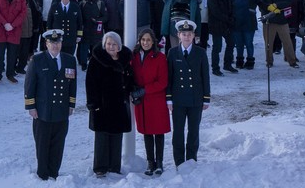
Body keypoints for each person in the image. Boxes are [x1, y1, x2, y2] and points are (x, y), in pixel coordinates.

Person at [24, 30, 76, 180]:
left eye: (58, 42)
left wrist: (71, 104)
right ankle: (42, 174)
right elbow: (29, 85)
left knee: (58, 144)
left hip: (61, 111)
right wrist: (31, 107)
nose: (55, 46)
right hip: (42, 111)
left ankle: (54, 173)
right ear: (46, 44)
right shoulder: (37, 60)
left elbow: (72, 85)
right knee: (42, 144)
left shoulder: (69, 60)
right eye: (52, 43)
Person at [84, 30, 134, 177]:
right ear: (104, 45)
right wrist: (93, 103)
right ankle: (100, 167)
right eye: (108, 43)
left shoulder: (124, 61)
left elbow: (129, 79)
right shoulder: (96, 60)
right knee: (102, 137)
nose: (111, 46)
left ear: (119, 46)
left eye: (114, 44)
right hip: (102, 104)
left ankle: (114, 166)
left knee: (116, 135)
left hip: (119, 104)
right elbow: (90, 83)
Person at [165, 20, 211, 167]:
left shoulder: (200, 52)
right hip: (178, 100)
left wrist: (206, 98)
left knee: (193, 131)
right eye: (183, 34)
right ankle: (178, 160)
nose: (186, 37)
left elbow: (205, 76)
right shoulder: (172, 53)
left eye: (189, 34)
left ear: (193, 36)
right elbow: (169, 78)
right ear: (178, 35)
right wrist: (169, 98)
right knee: (178, 132)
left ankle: (191, 159)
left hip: (195, 99)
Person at [130, 27, 169, 175]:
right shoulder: (134, 56)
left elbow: (163, 81)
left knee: (158, 131)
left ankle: (159, 162)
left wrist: (145, 90)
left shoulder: (160, 57)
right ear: (140, 41)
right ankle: (150, 162)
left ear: (153, 41)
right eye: (143, 40)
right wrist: (133, 88)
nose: (145, 42)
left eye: (148, 40)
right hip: (142, 100)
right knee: (146, 131)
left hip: (155, 99)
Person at [257, 0, 298, 68]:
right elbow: (260, 2)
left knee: (287, 42)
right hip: (268, 21)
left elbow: (288, 2)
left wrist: (277, 5)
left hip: (281, 21)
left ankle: (292, 61)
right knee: (268, 43)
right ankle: (269, 61)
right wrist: (268, 7)